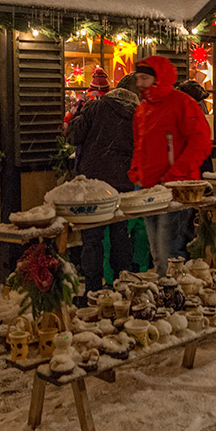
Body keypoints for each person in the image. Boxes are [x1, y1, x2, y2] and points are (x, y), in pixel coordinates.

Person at [129, 56, 212, 276]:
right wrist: (136, 171)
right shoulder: (143, 109)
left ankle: (179, 295)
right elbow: (140, 146)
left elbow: (201, 141)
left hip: (176, 189)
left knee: (169, 250)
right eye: (138, 78)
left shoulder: (182, 103)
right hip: (148, 189)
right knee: (157, 251)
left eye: (145, 78)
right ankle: (168, 296)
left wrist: (176, 175)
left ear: (159, 79)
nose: (140, 84)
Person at [66, 76, 139, 292]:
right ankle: (121, 287)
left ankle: (93, 291)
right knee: (120, 236)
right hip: (121, 185)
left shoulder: (95, 107)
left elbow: (72, 136)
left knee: (92, 239)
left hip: (93, 185)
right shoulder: (138, 116)